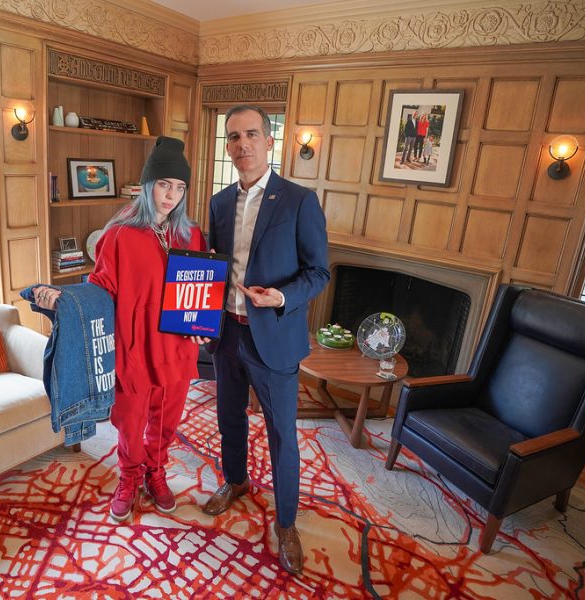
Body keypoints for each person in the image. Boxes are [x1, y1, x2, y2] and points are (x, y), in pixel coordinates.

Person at [34, 136, 206, 522]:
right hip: (135, 347)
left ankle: (156, 473)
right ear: (148, 185)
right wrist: (62, 299)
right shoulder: (118, 235)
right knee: (131, 421)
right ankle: (129, 477)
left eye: (179, 188)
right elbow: (100, 291)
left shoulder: (190, 235)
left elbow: (198, 287)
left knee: (166, 418)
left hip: (177, 347)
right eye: (164, 185)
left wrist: (202, 323)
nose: (171, 196)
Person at [203, 105, 330, 575]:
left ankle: (287, 522)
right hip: (226, 333)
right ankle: (235, 481)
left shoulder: (298, 200)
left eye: (251, 134)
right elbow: (215, 268)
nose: (242, 145)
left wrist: (280, 296)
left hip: (273, 337)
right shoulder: (218, 203)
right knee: (227, 418)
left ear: (269, 140)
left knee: (282, 436)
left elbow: (319, 272)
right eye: (234, 137)